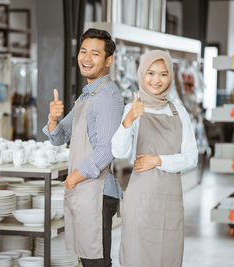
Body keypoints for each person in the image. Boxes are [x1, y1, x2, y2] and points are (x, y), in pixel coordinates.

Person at [42, 28, 124, 267]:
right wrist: (53, 119)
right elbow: (60, 137)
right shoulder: (86, 96)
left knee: (96, 262)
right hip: (87, 193)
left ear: (108, 61)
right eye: (83, 51)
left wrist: (73, 179)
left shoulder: (107, 96)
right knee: (88, 261)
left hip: (97, 194)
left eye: (95, 54)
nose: (86, 58)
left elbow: (107, 149)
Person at [111, 50, 198, 267]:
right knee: (137, 257)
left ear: (170, 77)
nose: (156, 80)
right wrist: (128, 120)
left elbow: (191, 158)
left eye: (163, 74)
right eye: (150, 73)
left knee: (167, 257)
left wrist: (158, 160)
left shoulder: (179, 111)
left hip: (170, 203)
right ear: (142, 74)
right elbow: (119, 152)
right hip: (141, 201)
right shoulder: (132, 108)